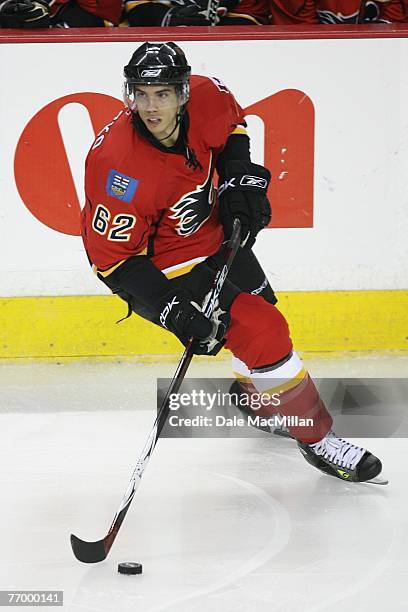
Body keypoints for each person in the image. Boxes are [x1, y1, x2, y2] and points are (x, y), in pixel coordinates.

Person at [81, 41, 387, 485]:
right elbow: (114, 262)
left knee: (263, 322)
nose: (150, 106)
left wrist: (238, 181)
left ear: (184, 92)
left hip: (216, 237)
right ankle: (318, 440)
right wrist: (173, 311)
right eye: (141, 93)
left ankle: (256, 400)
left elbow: (231, 134)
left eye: (162, 93)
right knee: (264, 330)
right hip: (167, 266)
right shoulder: (117, 169)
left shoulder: (208, 94)